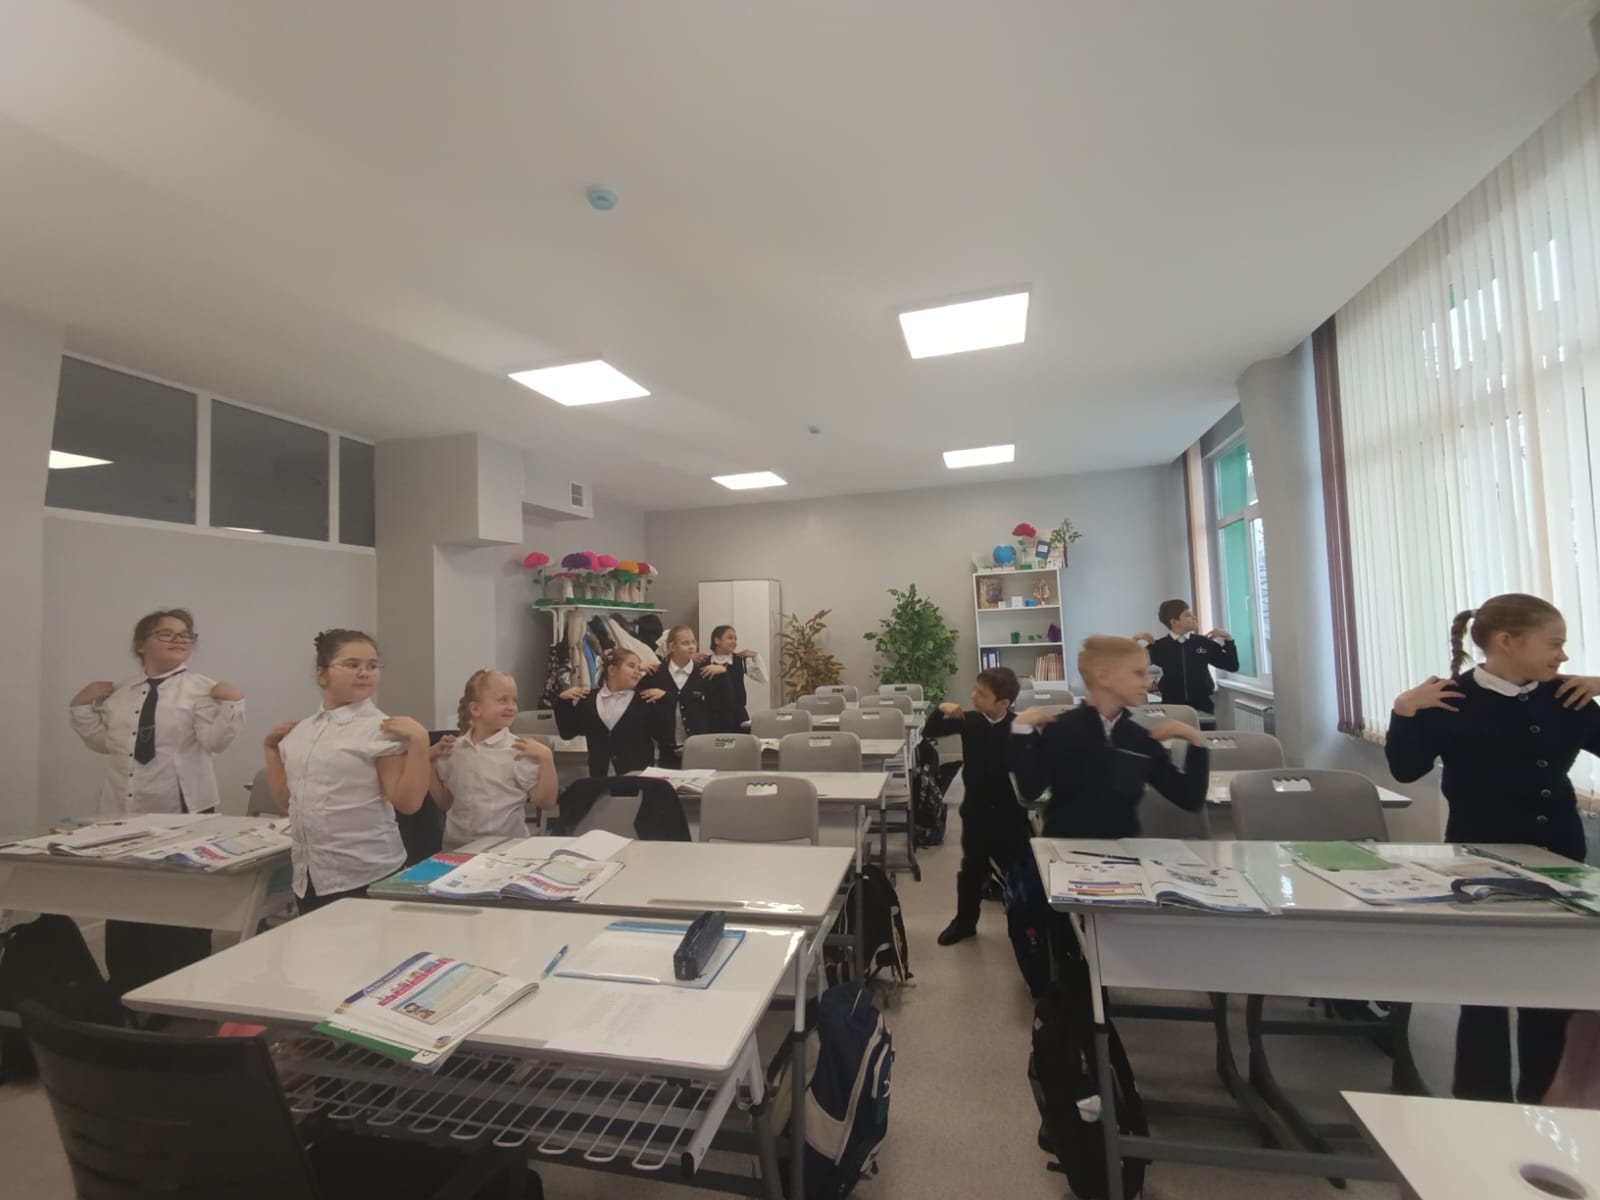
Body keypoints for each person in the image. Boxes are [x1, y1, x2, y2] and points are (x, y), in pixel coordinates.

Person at [1385, 593, 1600, 1103]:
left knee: (1548, 992)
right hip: (1480, 861)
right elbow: (1406, 769)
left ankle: (1544, 1107)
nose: (1563, 656)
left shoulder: (1567, 697)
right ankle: (1481, 1103)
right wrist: (1403, 712)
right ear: (1507, 642)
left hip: (1560, 857)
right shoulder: (1451, 697)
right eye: (1554, 644)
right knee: (1483, 991)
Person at [67, 608, 245, 995]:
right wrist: (81, 706)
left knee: (182, 905)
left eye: (186, 635)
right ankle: (127, 986)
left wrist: (232, 706)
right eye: (167, 634)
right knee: (126, 899)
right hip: (124, 809)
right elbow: (106, 743)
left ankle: (181, 988)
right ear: (141, 644)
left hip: (182, 810)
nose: (180, 640)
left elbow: (214, 742)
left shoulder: (201, 689)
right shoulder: (122, 691)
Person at [262, 629, 431, 914]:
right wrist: (271, 751)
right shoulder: (301, 732)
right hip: (310, 875)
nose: (364, 673)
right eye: (352, 665)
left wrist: (420, 743)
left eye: (372, 666)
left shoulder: (381, 729)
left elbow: (408, 803)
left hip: (366, 871)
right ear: (322, 674)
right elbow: (286, 801)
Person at [1012, 635, 1209, 838]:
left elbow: (1190, 799)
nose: (1146, 683)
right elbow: (1031, 790)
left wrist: (1196, 740)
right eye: (1138, 673)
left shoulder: (1141, 739)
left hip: (1123, 849)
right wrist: (1021, 732)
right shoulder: (1061, 730)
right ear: (1103, 676)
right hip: (1065, 847)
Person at [924, 667, 1033, 946]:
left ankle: (1026, 926)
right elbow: (930, 731)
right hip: (976, 811)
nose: (973, 696)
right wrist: (941, 709)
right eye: (975, 690)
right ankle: (965, 922)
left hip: (1010, 815)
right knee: (972, 869)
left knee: (1018, 870)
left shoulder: (1020, 726)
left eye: (982, 694)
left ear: (1004, 703)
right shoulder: (969, 721)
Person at [430, 669, 557, 850]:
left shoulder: (518, 750)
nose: (512, 707)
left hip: (504, 849)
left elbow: (546, 802)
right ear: (476, 709)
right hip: (457, 848)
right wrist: (429, 763)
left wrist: (546, 758)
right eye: (502, 700)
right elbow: (444, 802)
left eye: (514, 700)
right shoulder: (455, 750)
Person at [554, 647, 666, 776]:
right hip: (599, 777)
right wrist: (563, 702)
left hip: (637, 778)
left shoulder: (644, 700)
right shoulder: (588, 700)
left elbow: (664, 735)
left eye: (639, 668)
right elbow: (567, 733)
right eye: (631, 666)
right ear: (612, 670)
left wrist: (665, 700)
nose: (638, 672)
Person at [1133, 601, 1237, 719]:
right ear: (1174, 622)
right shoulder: (1159, 646)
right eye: (1188, 615)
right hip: (1171, 708)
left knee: (1202, 731)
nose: (1194, 617)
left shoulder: (1204, 643)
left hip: (1203, 708)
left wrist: (1228, 639)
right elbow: (1132, 669)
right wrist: (1135, 641)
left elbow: (1232, 665)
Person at [645, 626, 715, 767]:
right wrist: (639, 668)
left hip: (697, 745)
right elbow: (640, 700)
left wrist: (723, 674)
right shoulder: (657, 673)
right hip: (666, 747)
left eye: (693, 642)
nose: (691, 646)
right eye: (685, 643)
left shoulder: (704, 673)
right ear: (672, 646)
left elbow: (722, 703)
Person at [701, 625, 767, 733]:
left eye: (735, 639)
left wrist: (755, 656)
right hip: (711, 718)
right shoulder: (704, 662)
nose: (734, 641)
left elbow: (763, 678)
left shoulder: (740, 661)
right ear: (717, 640)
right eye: (730, 638)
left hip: (737, 717)